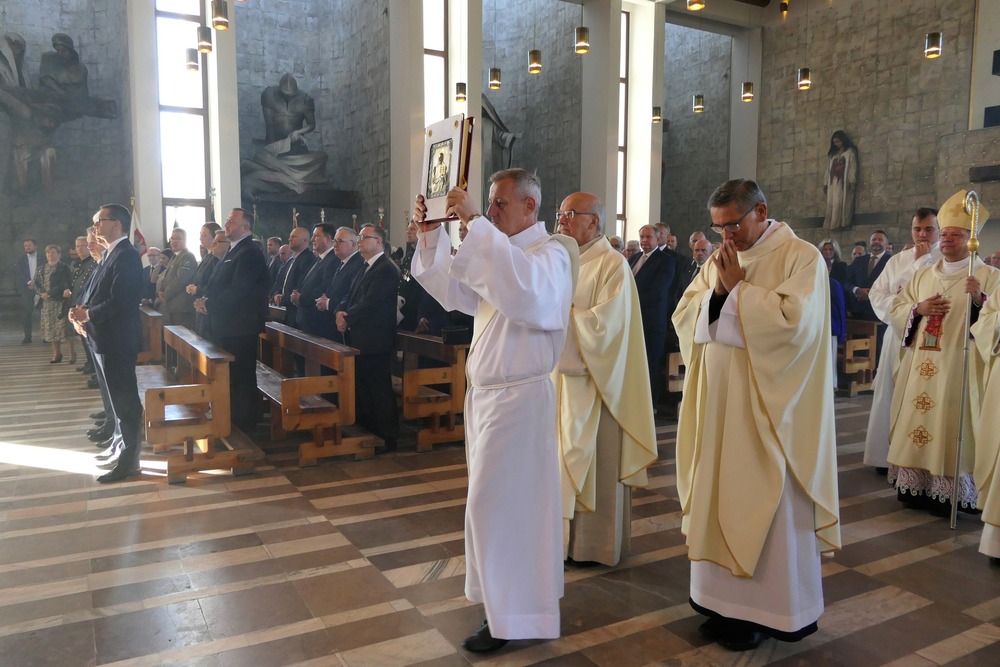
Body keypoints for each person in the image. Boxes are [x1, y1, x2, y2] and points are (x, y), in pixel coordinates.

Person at [411, 168, 577, 652]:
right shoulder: (503, 254)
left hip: (520, 401)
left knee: (502, 510)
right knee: (493, 512)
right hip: (488, 401)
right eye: (490, 203)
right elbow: (458, 292)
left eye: (500, 204)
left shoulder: (553, 255)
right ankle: (504, 611)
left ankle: (516, 617)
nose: (491, 211)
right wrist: (432, 236)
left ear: (530, 206)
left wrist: (477, 227)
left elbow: (525, 292)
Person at [672, 178, 840, 651]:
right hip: (721, 403)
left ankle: (768, 611)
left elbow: (795, 326)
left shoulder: (800, 258)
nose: (726, 236)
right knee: (719, 493)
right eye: (718, 226)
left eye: (734, 224)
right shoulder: (721, 258)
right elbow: (687, 314)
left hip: (771, 410)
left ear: (761, 211)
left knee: (766, 501)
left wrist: (736, 291)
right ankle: (719, 604)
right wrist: (722, 293)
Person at [554, 192, 657, 567]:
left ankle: (592, 548)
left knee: (596, 463)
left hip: (598, 385)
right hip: (559, 383)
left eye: (569, 214)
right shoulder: (559, 259)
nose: (561, 220)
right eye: (560, 214)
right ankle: (559, 541)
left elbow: (608, 327)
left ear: (593, 222)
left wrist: (562, 317)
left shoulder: (612, 265)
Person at [887, 192, 1000, 515]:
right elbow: (897, 308)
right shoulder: (923, 274)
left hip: (959, 365)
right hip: (920, 363)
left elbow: (995, 323)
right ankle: (915, 486)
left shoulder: (990, 277)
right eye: (946, 234)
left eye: (957, 235)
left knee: (953, 425)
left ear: (971, 240)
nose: (948, 240)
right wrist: (918, 308)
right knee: (916, 420)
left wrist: (979, 299)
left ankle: (951, 492)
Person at [69, 204, 144, 484]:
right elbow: (95, 294)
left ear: (117, 224)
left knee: (126, 403)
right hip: (104, 338)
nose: (96, 226)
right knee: (116, 401)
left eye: (100, 221)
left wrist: (87, 314)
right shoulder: (111, 255)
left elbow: (121, 301)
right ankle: (118, 448)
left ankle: (130, 462)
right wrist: (81, 312)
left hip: (118, 340)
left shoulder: (127, 255)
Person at [863, 208, 940, 474]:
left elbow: (938, 294)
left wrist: (923, 265)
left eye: (929, 229)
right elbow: (877, 295)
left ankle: (917, 460)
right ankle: (884, 455)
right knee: (890, 392)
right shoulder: (897, 260)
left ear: (939, 229)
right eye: (917, 229)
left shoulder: (945, 258)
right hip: (898, 336)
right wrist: (906, 307)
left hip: (931, 340)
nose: (922, 234)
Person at [196, 209, 269, 433]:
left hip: (240, 327)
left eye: (231, 221)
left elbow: (239, 291)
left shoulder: (249, 252)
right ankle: (231, 420)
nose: (226, 224)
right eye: (227, 221)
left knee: (241, 378)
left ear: (245, 227)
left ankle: (244, 427)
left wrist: (209, 304)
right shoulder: (234, 250)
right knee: (231, 378)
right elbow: (220, 285)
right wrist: (206, 299)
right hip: (227, 326)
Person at [335, 224, 400, 450]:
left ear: (379, 242)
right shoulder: (364, 266)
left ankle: (388, 435)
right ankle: (370, 429)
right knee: (363, 386)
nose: (360, 241)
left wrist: (348, 317)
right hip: (360, 337)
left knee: (379, 387)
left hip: (376, 339)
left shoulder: (386, 269)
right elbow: (349, 295)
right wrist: (340, 311)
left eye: (365, 237)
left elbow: (371, 302)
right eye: (359, 237)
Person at [630, 224, 675, 407]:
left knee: (651, 363)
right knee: (635, 363)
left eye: (648, 237)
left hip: (652, 321)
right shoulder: (633, 258)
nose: (644, 241)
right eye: (642, 237)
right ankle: (634, 401)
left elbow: (658, 292)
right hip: (633, 319)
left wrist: (629, 301)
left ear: (658, 239)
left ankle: (650, 405)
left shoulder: (665, 260)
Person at [294, 223, 340, 338]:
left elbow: (325, 287)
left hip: (317, 321)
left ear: (328, 238)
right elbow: (307, 282)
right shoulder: (319, 258)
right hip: (306, 318)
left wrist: (302, 298)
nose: (312, 239)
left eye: (316, 236)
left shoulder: (333, 260)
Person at [34, 243, 72, 363]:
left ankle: (72, 354)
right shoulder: (41, 268)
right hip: (46, 303)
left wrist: (49, 293)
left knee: (63, 328)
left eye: (54, 252)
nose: (51, 255)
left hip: (59, 301)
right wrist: (42, 293)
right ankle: (57, 354)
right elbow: (36, 283)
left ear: (59, 254)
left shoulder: (63, 268)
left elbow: (65, 283)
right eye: (48, 253)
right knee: (51, 329)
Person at [186, 223, 224, 337]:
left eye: (204, 235)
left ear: (214, 238)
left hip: (209, 308)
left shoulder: (216, 259)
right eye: (200, 235)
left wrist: (197, 289)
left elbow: (215, 284)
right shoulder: (207, 257)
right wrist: (193, 286)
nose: (200, 238)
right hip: (200, 306)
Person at [65, 234, 97, 368]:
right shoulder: (78, 264)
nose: (79, 249)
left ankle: (93, 366)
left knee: (90, 339)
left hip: (86, 306)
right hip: (77, 303)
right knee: (84, 339)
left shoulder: (93, 263)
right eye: (77, 246)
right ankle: (89, 363)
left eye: (82, 246)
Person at [274, 226, 315, 327]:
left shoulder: (308, 259)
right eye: (290, 236)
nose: (289, 239)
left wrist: (283, 299)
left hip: (298, 311)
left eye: (294, 237)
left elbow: (300, 286)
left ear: (305, 240)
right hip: (290, 309)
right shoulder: (294, 258)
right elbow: (285, 282)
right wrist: (278, 294)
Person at [157, 228, 197, 329]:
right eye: (172, 238)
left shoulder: (187, 256)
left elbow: (181, 280)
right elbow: (164, 277)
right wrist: (159, 291)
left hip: (181, 308)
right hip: (171, 306)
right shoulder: (174, 256)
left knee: (180, 342)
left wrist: (165, 294)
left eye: (178, 239)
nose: (174, 241)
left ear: (185, 240)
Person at [823, 129, 858, 230]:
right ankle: (832, 224)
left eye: (838, 141)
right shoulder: (832, 155)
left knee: (840, 203)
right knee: (832, 203)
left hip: (843, 183)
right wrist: (825, 183)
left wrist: (852, 181)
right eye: (835, 142)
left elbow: (852, 167)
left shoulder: (849, 153)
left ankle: (840, 223)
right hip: (833, 182)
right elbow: (828, 169)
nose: (837, 144)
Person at [15, 238, 38, 344]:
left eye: (29, 245)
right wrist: (28, 282)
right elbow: (19, 273)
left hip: (40, 288)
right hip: (26, 288)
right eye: (25, 246)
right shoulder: (21, 259)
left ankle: (47, 336)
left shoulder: (43, 257)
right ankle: (27, 336)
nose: (27, 247)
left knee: (44, 312)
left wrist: (37, 284)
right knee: (26, 313)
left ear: (35, 246)